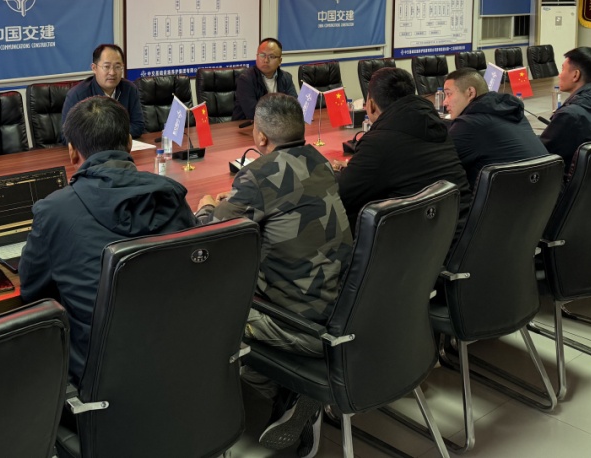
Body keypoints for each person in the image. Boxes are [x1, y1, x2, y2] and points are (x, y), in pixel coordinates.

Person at [196, 94, 353, 458]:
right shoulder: (320, 161)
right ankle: (288, 394)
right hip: (343, 311)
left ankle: (285, 394)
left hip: (299, 326)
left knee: (209, 311)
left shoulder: (258, 174)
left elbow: (211, 236)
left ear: (260, 136)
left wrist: (207, 206)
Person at [19, 95, 195, 384]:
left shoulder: (54, 211)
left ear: (72, 152)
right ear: (129, 143)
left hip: (100, 376)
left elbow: (31, 292)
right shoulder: (170, 194)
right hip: (179, 360)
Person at [334, 67, 471, 240]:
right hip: (460, 234)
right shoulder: (438, 126)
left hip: (416, 246)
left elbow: (342, 195)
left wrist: (336, 173)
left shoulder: (379, 142)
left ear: (371, 104)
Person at [444, 67, 548, 188]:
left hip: (507, 197)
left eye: (449, 94)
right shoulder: (514, 113)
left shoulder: (468, 125)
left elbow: (441, 166)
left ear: (470, 93)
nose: (444, 102)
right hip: (545, 194)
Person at [60, 43, 145, 140]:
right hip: (91, 148)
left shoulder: (130, 89)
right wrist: (108, 137)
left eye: (117, 67)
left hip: (121, 147)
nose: (112, 72)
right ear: (94, 68)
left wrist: (108, 136)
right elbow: (66, 135)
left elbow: (138, 126)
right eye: (106, 67)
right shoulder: (77, 94)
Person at [234, 37, 298, 121]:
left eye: (271, 56)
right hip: (248, 125)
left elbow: (294, 106)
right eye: (262, 55)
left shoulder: (286, 77)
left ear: (280, 61)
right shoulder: (246, 79)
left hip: (280, 125)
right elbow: (253, 112)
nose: (266, 60)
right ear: (257, 57)